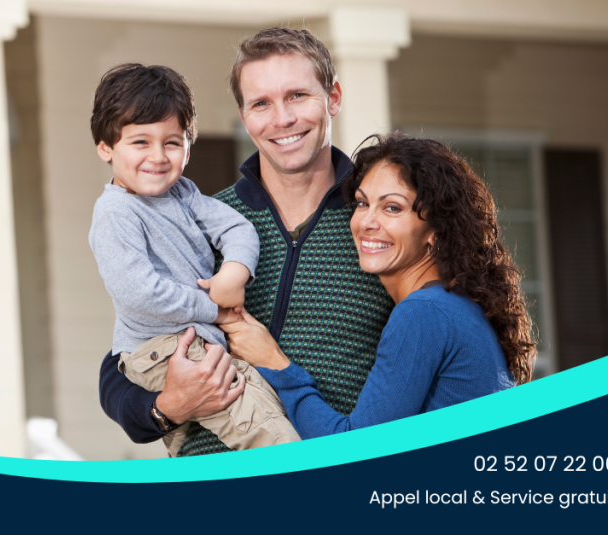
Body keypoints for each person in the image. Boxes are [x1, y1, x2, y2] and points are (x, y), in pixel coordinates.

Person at [98, 28, 393, 456]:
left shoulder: (379, 222)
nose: (282, 119)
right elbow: (120, 364)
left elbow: (434, 338)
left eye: (297, 96)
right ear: (244, 115)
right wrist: (166, 407)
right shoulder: (199, 220)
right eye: (261, 103)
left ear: (333, 98)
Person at [229, 133, 536, 438]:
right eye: (362, 203)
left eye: (392, 208)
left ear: (436, 230)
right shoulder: (453, 307)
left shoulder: (424, 313)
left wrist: (274, 362)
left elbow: (356, 449)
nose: (366, 222)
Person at [88, 63, 300, 456]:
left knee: (268, 410)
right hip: (164, 346)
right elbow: (139, 293)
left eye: (172, 142)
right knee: (271, 437)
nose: (158, 156)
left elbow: (237, 229)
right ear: (106, 148)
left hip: (195, 339)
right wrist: (214, 310)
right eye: (140, 142)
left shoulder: (183, 194)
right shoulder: (115, 214)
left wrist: (233, 274)